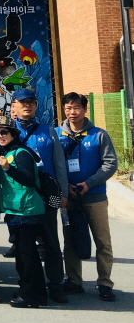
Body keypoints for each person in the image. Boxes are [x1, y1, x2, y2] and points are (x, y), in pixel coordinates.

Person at [57, 92, 117, 301]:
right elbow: (54, 165)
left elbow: (110, 164)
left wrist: (88, 183)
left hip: (95, 197)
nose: (72, 112)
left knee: (102, 241)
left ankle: (105, 283)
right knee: (70, 241)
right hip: (69, 199)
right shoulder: (57, 134)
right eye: (68, 108)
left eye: (76, 108)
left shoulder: (99, 135)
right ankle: (74, 281)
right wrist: (65, 188)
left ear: (85, 110)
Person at [11, 87, 68, 303]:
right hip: (18, 199)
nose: (27, 105)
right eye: (22, 102)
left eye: (31, 102)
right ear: (13, 107)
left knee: (51, 242)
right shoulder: (5, 132)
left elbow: (59, 164)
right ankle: (28, 283)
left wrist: (62, 191)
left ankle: (55, 284)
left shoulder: (48, 131)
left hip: (45, 196)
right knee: (22, 245)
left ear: (36, 106)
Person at [0, 119, 47, 308]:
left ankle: (30, 294)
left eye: (4, 132)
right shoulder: (7, 152)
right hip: (16, 210)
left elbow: (29, 180)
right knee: (24, 253)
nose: (0, 135)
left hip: (27, 210)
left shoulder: (21, 153)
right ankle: (35, 292)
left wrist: (8, 168)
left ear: (14, 134)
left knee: (27, 255)